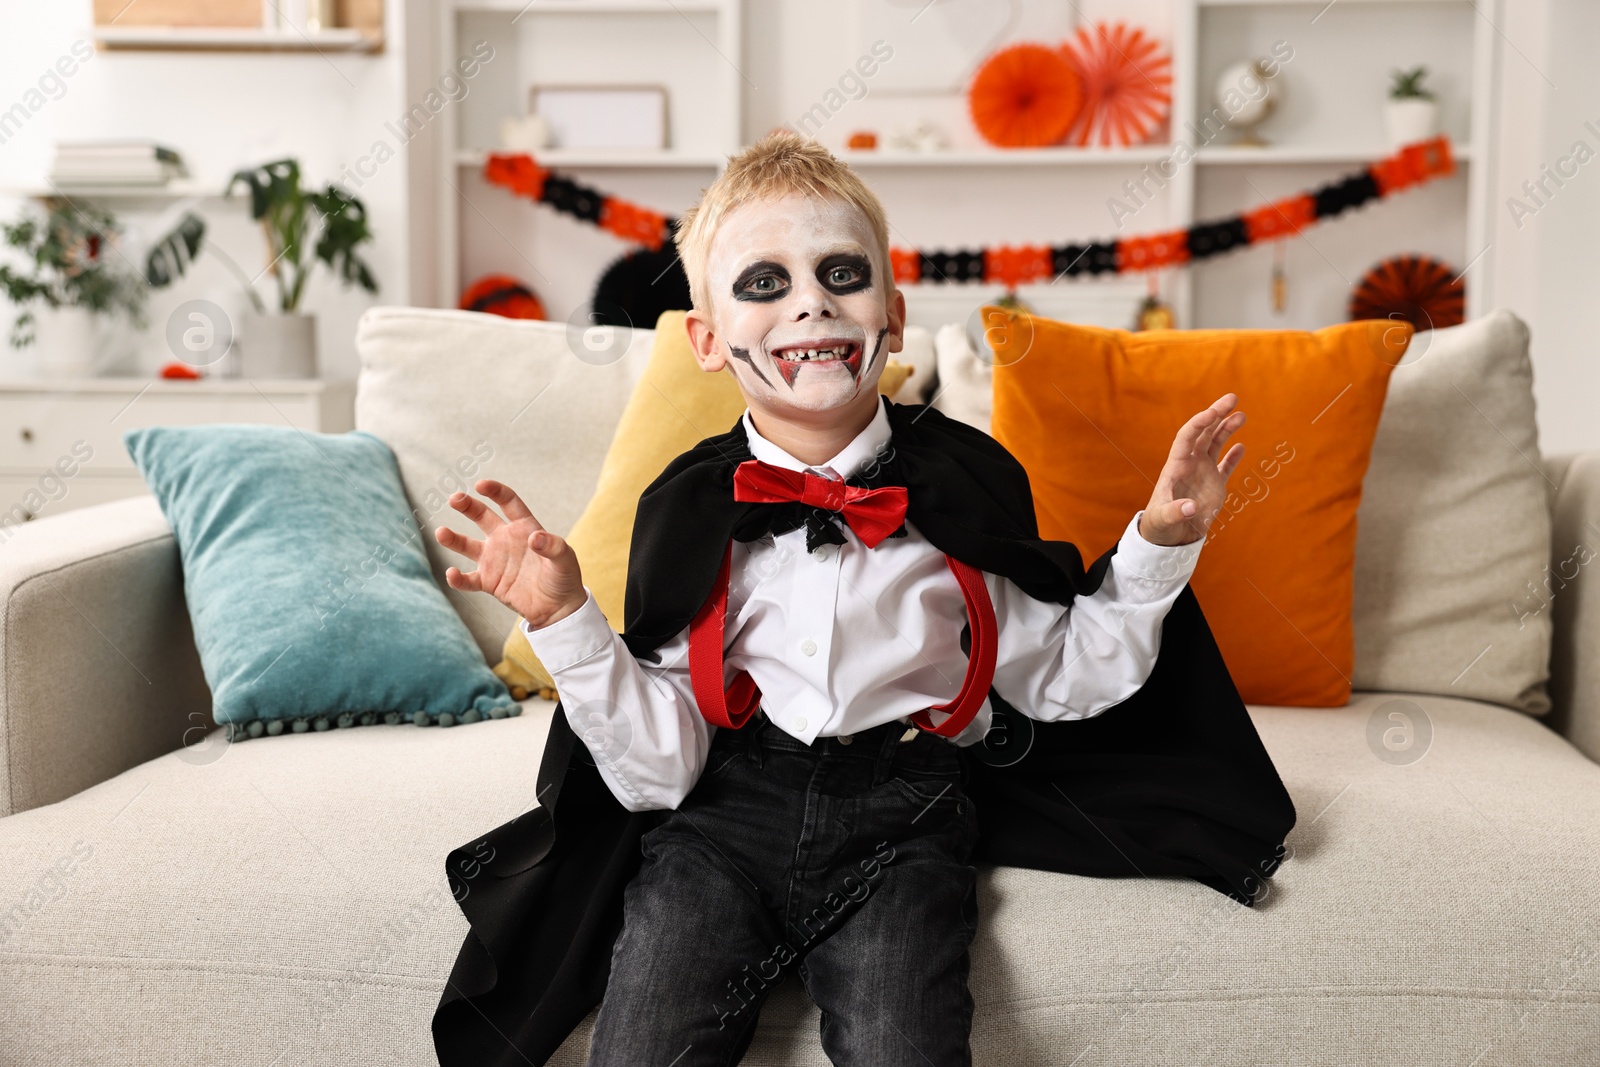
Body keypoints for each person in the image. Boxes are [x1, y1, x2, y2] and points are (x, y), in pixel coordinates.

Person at [429, 132, 1295, 1067]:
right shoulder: (685, 504)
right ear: (706, 340)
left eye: (841, 272)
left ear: (892, 308)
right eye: (765, 282)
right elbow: (659, 771)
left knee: (905, 1047)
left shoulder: (970, 477)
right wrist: (564, 617)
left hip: (907, 815)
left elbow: (1059, 678)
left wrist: (1158, 544)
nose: (811, 300)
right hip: (718, 821)